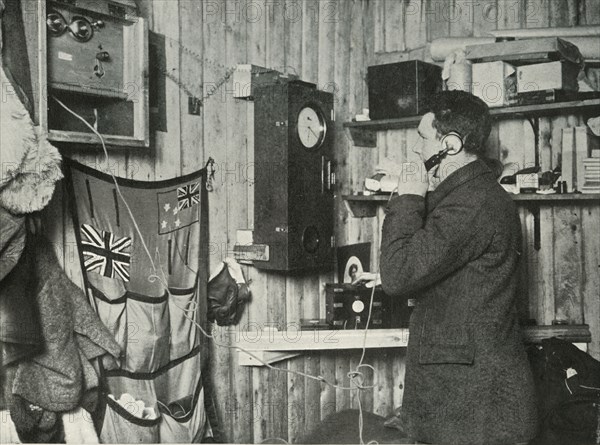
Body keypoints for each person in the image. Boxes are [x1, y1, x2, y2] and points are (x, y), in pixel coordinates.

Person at [379, 91, 538, 445]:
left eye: (422, 137)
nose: (417, 149)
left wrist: (408, 196)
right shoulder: (469, 197)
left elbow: (396, 274)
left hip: (476, 406)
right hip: (465, 399)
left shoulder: (471, 205)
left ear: (449, 144)